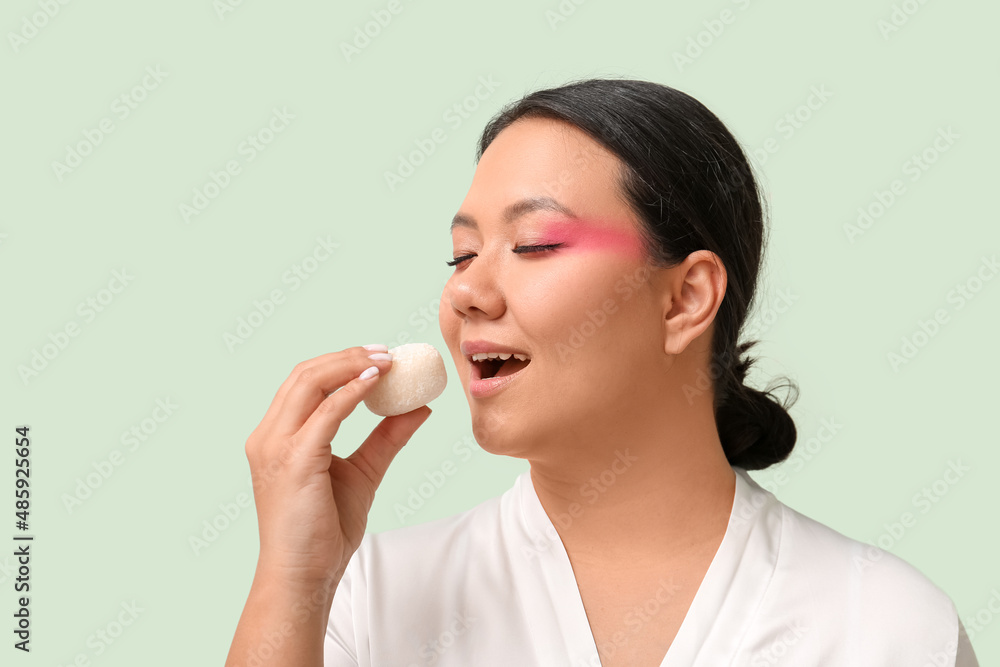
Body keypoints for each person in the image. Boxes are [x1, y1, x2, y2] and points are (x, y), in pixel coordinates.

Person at [225, 78, 979, 666]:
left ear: (685, 298)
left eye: (535, 244)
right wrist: (294, 580)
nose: (464, 292)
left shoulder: (885, 626)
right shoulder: (370, 597)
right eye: (461, 255)